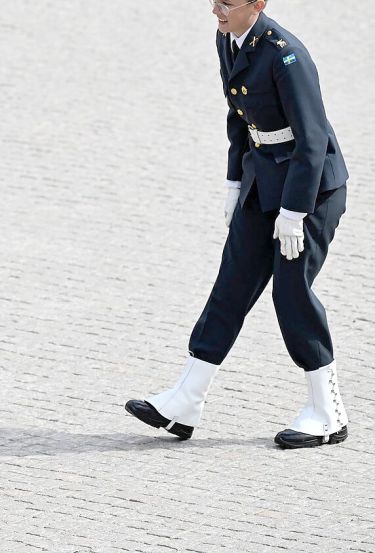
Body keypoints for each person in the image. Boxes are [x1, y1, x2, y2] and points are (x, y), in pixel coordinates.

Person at [125, 0, 349, 449]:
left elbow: (312, 140)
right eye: (213, 0)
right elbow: (239, 115)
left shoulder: (287, 55)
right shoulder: (228, 38)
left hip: (310, 190)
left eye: (226, 3)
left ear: (258, 4)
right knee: (231, 285)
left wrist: (294, 212)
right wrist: (233, 182)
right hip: (261, 178)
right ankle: (186, 400)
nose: (216, 11)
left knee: (291, 292)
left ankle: (328, 411)